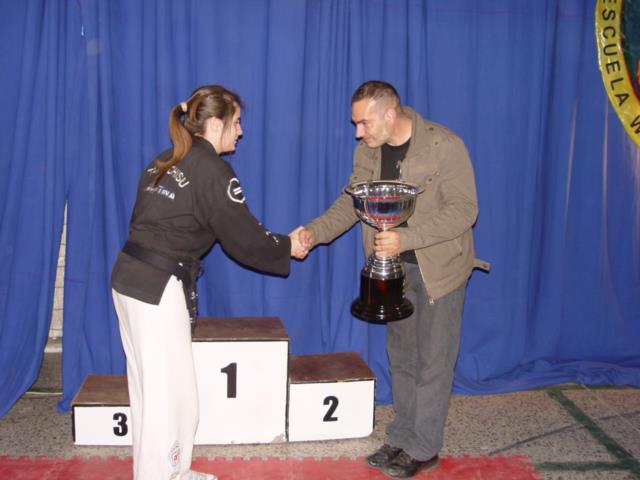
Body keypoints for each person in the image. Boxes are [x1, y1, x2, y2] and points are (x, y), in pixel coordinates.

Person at [111, 85, 307, 480]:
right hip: (157, 286)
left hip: (129, 278)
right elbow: (243, 237)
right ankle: (162, 476)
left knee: (154, 391)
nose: (241, 131)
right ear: (216, 123)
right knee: (168, 396)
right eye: (237, 122)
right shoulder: (212, 170)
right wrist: (287, 245)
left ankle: (171, 471)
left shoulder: (163, 160)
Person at [296, 80, 486, 478]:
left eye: (363, 123)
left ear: (389, 113)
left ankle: (424, 447)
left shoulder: (444, 145)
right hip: (394, 272)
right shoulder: (367, 151)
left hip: (440, 270)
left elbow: (464, 210)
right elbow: (351, 204)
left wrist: (407, 238)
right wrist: (314, 233)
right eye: (356, 124)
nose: (358, 132)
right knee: (402, 357)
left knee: (433, 361)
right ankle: (401, 437)